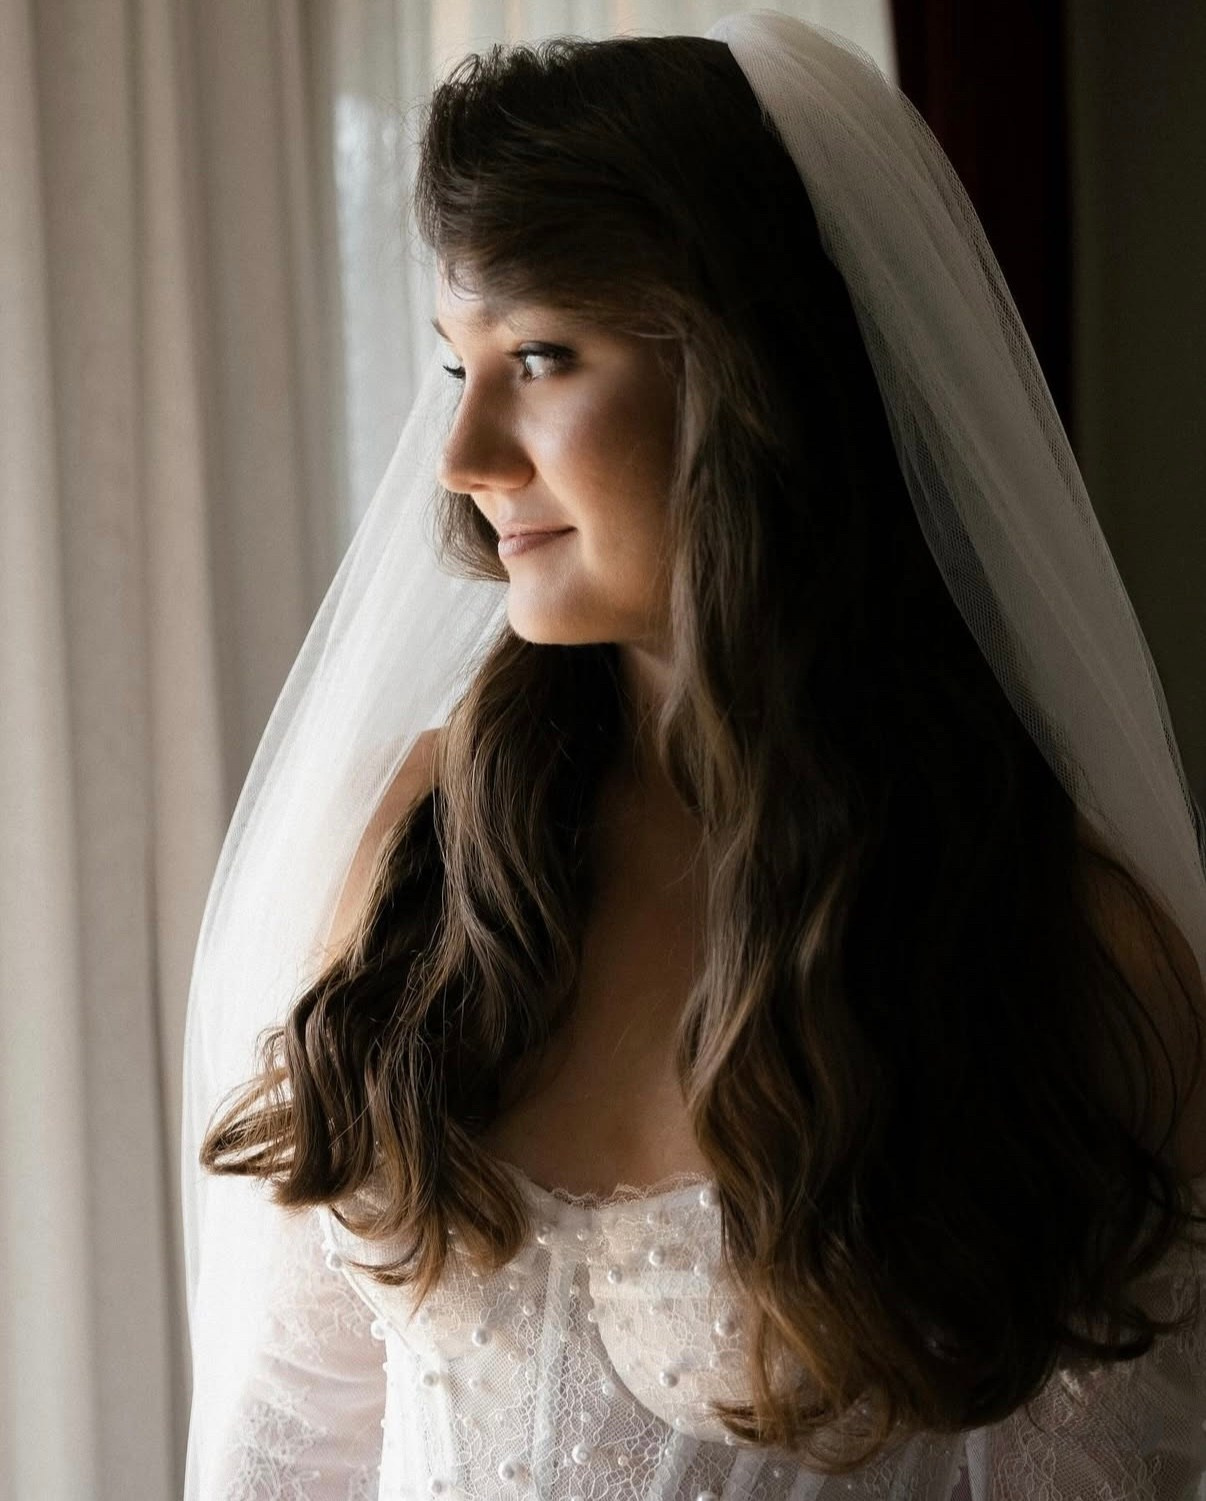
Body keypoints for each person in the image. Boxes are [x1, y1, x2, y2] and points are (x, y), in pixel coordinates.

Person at [180, 12, 1206, 1499]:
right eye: (452, 362)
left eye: (538, 354)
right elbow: (287, 1442)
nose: (463, 453)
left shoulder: (1055, 949)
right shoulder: (428, 849)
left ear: (754, 374)